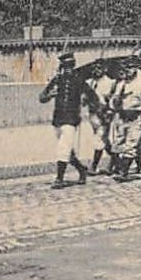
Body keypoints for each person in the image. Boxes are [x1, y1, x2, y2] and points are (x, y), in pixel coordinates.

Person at [39, 52, 95, 188]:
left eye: (70, 66)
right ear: (62, 67)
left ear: (74, 66)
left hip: (72, 118)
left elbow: (92, 96)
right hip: (58, 118)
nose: (68, 69)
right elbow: (41, 97)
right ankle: (82, 169)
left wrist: (85, 99)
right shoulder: (57, 80)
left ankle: (59, 178)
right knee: (67, 150)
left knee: (63, 148)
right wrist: (50, 95)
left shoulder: (79, 80)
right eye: (65, 66)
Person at [107, 61, 141, 181]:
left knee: (131, 144)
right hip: (123, 117)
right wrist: (114, 103)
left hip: (137, 117)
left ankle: (124, 172)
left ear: (136, 69)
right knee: (120, 143)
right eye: (126, 68)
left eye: (130, 67)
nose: (127, 70)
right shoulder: (121, 84)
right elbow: (114, 101)